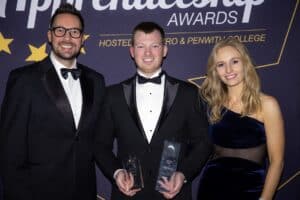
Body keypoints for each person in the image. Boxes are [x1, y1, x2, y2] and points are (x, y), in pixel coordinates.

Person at [94, 21, 212, 200]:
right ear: (132, 51)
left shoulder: (188, 93)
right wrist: (117, 172)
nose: (148, 53)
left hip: (174, 194)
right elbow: (100, 145)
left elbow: (203, 143)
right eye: (141, 46)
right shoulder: (112, 95)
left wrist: (183, 174)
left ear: (164, 50)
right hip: (128, 194)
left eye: (154, 46)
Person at [0, 3, 105, 200]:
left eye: (74, 32)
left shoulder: (97, 81)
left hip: (84, 192)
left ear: (82, 39)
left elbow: (98, 140)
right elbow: (9, 152)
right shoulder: (24, 80)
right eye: (60, 30)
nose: (67, 37)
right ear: (50, 35)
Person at [197, 37, 285, 200]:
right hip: (211, 187)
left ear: (245, 63)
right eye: (221, 64)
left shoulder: (267, 104)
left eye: (235, 61)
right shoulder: (213, 105)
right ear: (215, 71)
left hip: (250, 189)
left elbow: (277, 161)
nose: (229, 69)